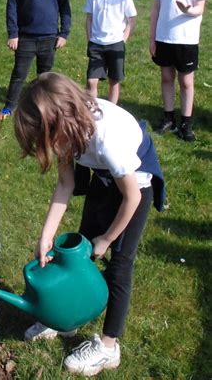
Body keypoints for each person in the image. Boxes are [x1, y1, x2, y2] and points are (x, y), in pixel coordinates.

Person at [14, 73, 165, 377]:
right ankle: (67, 319)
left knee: (120, 265)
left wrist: (107, 239)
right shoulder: (70, 126)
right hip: (105, 178)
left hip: (135, 187)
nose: (49, 147)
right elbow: (65, 183)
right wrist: (46, 236)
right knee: (78, 251)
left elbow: (132, 198)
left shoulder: (107, 140)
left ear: (61, 123)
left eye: (45, 138)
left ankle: (108, 348)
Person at [0, 0, 71, 120]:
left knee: (44, 76)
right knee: (19, 74)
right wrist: (13, 34)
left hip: (49, 38)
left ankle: (44, 106)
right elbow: (11, 8)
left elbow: (65, 9)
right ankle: (9, 106)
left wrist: (63, 33)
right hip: (25, 38)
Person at [150, 0, 207, 142]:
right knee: (166, 77)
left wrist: (187, 10)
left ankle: (186, 122)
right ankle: (168, 118)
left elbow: (200, 8)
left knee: (185, 82)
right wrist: (152, 37)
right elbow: (155, 8)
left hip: (186, 38)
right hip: (164, 36)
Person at [84, 0, 137, 104]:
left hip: (115, 44)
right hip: (96, 44)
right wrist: (90, 40)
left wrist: (123, 40)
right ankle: (91, 110)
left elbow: (132, 21)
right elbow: (88, 19)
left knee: (114, 80)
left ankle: (112, 111)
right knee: (91, 80)